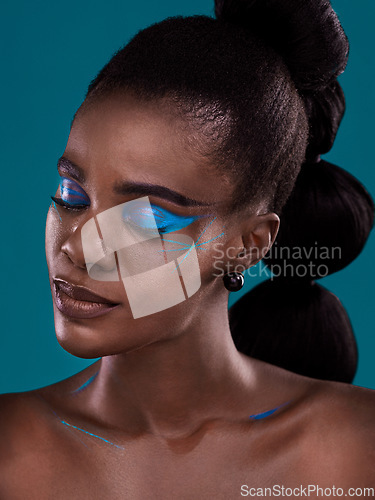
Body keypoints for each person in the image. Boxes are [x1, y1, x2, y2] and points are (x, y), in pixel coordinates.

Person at [1, 0, 374, 497]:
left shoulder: (356, 451)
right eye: (72, 196)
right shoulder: (9, 448)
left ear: (247, 245)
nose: (77, 246)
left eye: (149, 219)